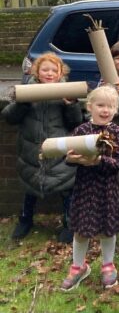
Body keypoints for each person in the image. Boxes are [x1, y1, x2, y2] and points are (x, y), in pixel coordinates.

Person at [2, 52, 83, 242]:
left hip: (58, 151)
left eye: (54, 70)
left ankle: (69, 223)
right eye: (45, 69)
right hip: (32, 150)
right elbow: (9, 117)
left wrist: (71, 105)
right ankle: (25, 219)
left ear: (60, 72)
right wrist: (23, 102)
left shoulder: (66, 92)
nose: (49, 73)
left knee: (66, 188)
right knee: (30, 187)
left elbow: (76, 123)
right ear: (37, 72)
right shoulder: (26, 91)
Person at [60, 85, 119, 291]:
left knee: (107, 230)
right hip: (84, 188)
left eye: (110, 106)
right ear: (90, 106)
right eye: (100, 105)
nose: (105, 110)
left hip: (107, 189)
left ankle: (108, 265)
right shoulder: (81, 131)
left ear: (116, 109)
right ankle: (78, 266)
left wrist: (99, 161)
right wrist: (72, 159)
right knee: (81, 230)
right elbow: (69, 157)